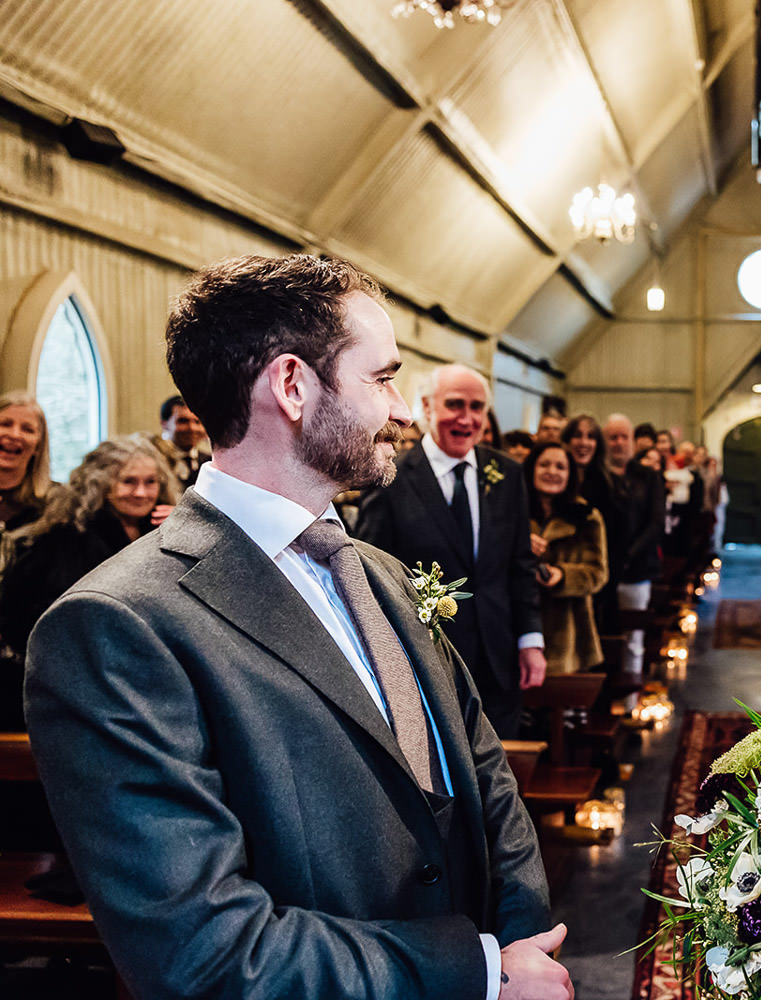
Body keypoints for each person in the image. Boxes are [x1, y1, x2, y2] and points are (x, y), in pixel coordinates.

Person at [23, 254, 569, 1000]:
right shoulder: (116, 626)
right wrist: (476, 973)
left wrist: (518, 940)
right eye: (381, 379)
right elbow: (206, 949)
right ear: (291, 385)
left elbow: (482, 772)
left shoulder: (377, 572)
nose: (404, 410)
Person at [357, 364, 545, 740]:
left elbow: (520, 565)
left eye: (477, 407)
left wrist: (531, 640)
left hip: (499, 654)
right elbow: (369, 571)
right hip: (425, 658)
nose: (467, 418)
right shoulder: (392, 475)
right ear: (427, 407)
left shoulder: (505, 474)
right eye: (455, 405)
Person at [1, 435, 177, 728]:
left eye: (151, 482)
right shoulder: (69, 536)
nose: (141, 493)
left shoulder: (162, 528)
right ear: (101, 484)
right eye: (128, 482)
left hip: (146, 679)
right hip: (81, 684)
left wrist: (184, 528)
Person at [588, 414, 663, 683]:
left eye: (624, 437)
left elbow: (656, 522)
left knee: (633, 638)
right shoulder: (594, 476)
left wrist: (628, 557)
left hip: (635, 568)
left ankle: (630, 704)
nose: (619, 443)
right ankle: (603, 697)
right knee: (599, 634)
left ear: (633, 442)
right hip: (599, 570)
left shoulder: (648, 476)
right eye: (613, 437)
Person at [525, 443, 606, 676]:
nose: (552, 471)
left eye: (561, 467)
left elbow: (598, 574)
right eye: (544, 464)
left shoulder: (587, 516)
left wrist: (563, 575)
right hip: (518, 627)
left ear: (570, 474)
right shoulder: (513, 509)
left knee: (564, 704)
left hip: (569, 632)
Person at [0, 391, 53, 535]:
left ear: (38, 445)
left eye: (27, 429)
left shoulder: (55, 507)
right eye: (5, 424)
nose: (14, 435)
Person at [150, 394, 211, 490]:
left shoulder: (209, 462)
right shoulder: (152, 460)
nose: (192, 428)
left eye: (197, 422)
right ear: (164, 424)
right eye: (183, 421)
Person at [561, 414, 602, 488]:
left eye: (590, 436)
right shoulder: (557, 481)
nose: (584, 443)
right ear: (567, 441)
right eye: (577, 435)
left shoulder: (605, 483)